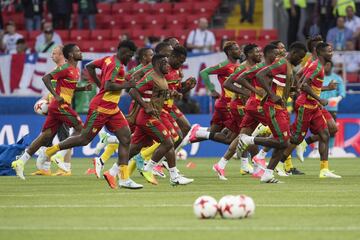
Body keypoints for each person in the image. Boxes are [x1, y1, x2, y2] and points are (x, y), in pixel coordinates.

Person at [45, 40, 143, 190]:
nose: (130, 58)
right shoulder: (114, 64)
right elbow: (109, 85)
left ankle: (124, 178)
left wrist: (98, 84)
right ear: (124, 52)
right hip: (101, 108)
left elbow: (89, 66)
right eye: (130, 55)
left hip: (112, 108)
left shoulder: (108, 59)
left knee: (126, 137)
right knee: (84, 139)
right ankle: (52, 150)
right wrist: (127, 85)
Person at [11, 44, 84, 180]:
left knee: (45, 136)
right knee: (82, 130)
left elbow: (68, 87)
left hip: (56, 107)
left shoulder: (75, 70)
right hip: (60, 106)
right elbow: (45, 78)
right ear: (70, 55)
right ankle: (55, 154)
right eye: (77, 51)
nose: (81, 53)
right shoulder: (65, 68)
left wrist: (83, 89)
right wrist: (55, 96)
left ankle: (21, 161)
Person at [238, 41, 307, 183]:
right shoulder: (282, 63)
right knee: (282, 141)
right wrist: (272, 94)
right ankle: (248, 139)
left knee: (283, 143)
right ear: (293, 53)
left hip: (280, 108)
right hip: (272, 107)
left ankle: (268, 174)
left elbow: (277, 83)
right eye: (300, 57)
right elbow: (261, 75)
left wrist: (291, 90)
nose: (300, 60)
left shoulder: (287, 66)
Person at [274, 42, 341, 179]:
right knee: (296, 138)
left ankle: (324, 170)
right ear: (321, 53)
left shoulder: (316, 64)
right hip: (305, 106)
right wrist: (319, 99)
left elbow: (302, 83)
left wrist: (326, 89)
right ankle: (279, 164)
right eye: (329, 51)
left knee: (325, 134)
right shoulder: (317, 67)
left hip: (313, 105)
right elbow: (304, 85)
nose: (332, 53)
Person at [127, 54, 194, 186]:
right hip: (154, 114)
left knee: (135, 147)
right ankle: (151, 167)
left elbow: (166, 93)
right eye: (165, 62)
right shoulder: (152, 75)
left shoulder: (167, 75)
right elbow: (133, 90)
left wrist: (181, 90)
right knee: (170, 140)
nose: (168, 64)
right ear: (158, 63)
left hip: (160, 112)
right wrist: (146, 106)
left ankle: (114, 171)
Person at [320, 60, 346, 154]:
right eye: (325, 65)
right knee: (318, 129)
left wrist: (337, 99)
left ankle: (330, 149)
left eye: (328, 65)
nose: (327, 67)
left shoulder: (337, 78)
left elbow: (342, 92)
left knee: (332, 129)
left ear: (331, 66)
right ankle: (316, 149)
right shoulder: (319, 76)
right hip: (319, 106)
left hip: (332, 108)